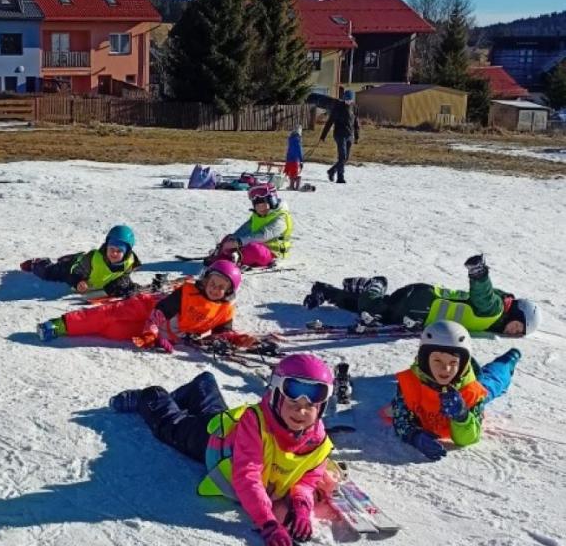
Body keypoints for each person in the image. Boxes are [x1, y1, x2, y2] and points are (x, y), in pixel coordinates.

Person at [110, 354, 335, 546]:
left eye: (310, 406)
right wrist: (268, 523)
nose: (301, 412)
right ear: (275, 396)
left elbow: (307, 479)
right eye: (293, 402)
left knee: (213, 410)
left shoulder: (317, 442)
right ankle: (151, 397)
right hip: (210, 443)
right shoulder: (256, 423)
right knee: (172, 426)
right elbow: (247, 476)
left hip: (227, 423)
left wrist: (302, 508)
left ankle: (203, 384)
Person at [304, 253, 540, 337]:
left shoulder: (493, 322)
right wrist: (479, 274)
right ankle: (375, 284)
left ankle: (325, 291)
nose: (514, 332)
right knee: (372, 311)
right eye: (518, 327)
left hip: (421, 309)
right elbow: (483, 295)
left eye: (519, 333)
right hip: (424, 300)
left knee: (377, 314)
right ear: (514, 313)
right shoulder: (495, 309)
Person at [389, 320, 522, 460]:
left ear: (462, 364)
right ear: (424, 360)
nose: (445, 369)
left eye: (452, 362)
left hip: (465, 382)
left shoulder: (471, 391)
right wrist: (414, 436)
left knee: (491, 383)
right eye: (437, 361)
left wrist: (462, 416)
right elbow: (401, 419)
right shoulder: (410, 383)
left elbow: (469, 439)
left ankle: (506, 362)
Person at [36, 259, 245, 348]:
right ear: (206, 280)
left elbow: (220, 333)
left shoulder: (224, 310)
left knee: (113, 331)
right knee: (106, 315)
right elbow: (160, 312)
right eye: (213, 283)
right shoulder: (188, 293)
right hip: (147, 308)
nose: (215, 289)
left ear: (228, 291)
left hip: (162, 333)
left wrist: (236, 340)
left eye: (221, 287)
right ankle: (60, 325)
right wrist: (150, 332)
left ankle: (78, 330)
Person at [21, 224, 142, 298]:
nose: (114, 253)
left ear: (127, 253)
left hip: (91, 279)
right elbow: (73, 273)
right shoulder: (94, 259)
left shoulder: (129, 262)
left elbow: (125, 276)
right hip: (71, 267)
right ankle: (36, 263)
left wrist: (123, 285)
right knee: (49, 272)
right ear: (106, 246)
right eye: (111, 249)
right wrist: (78, 282)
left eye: (119, 251)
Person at [209, 184, 293, 268]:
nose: (261, 209)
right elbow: (244, 229)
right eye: (257, 206)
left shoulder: (281, 218)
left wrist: (238, 242)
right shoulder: (257, 216)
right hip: (256, 245)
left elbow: (263, 235)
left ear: (272, 201)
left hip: (273, 253)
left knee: (254, 250)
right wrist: (233, 239)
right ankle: (221, 257)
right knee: (229, 238)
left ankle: (232, 259)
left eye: (263, 205)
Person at [320, 90, 359, 183]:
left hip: (350, 135)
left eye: (350, 99)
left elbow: (356, 123)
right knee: (342, 157)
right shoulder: (338, 107)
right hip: (339, 135)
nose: (348, 101)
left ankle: (332, 171)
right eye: (346, 99)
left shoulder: (354, 108)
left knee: (345, 158)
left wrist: (357, 136)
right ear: (344, 98)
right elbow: (330, 122)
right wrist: (323, 135)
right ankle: (340, 177)